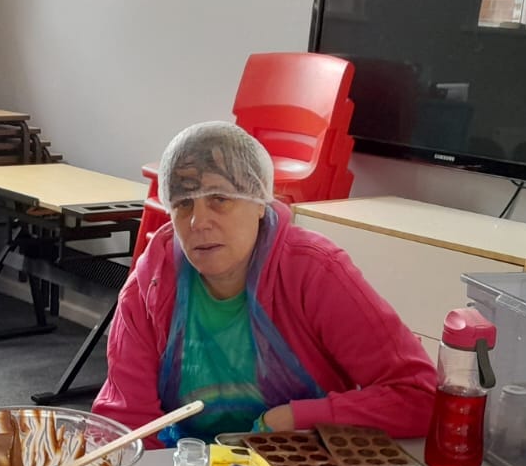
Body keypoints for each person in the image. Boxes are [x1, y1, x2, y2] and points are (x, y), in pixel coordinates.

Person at [93, 121, 436, 447]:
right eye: (183, 204)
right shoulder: (148, 287)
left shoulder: (314, 272)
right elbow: (127, 426)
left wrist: (298, 418)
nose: (198, 222)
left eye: (219, 199)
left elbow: (419, 395)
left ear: (259, 203)